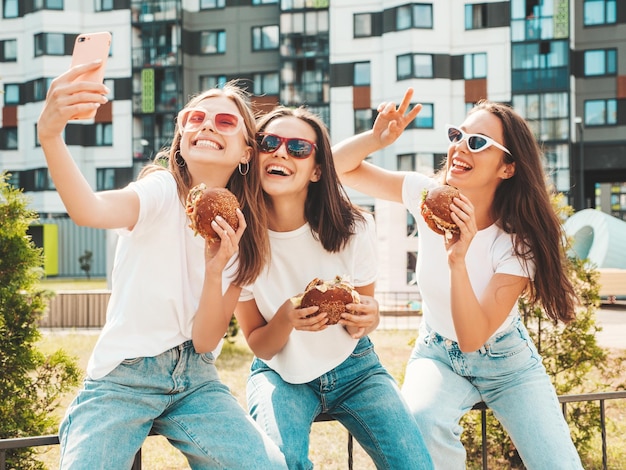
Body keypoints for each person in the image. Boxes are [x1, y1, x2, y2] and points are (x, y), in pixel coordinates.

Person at [37, 61, 287, 469]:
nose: (206, 126)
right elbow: (90, 210)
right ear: (181, 136)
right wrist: (50, 136)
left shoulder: (243, 234)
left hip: (197, 381)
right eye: (194, 118)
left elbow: (206, 341)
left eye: (225, 121)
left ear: (246, 151)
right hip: (124, 378)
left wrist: (213, 268)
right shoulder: (161, 190)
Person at [332, 88, 584, 469]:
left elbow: (473, 337)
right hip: (437, 353)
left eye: (478, 142)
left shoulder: (519, 240)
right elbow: (337, 169)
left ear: (508, 167)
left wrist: (458, 259)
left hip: (506, 363)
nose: (460, 147)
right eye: (457, 135)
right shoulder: (424, 194)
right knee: (421, 423)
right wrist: (375, 139)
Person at [195, 106, 433, 469]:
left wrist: (368, 317)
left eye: (298, 148)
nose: (280, 152)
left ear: (318, 168)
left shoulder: (353, 229)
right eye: (269, 142)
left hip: (357, 370)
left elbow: (361, 321)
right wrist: (287, 318)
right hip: (280, 375)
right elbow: (259, 343)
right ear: (253, 155)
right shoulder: (239, 240)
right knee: (282, 463)